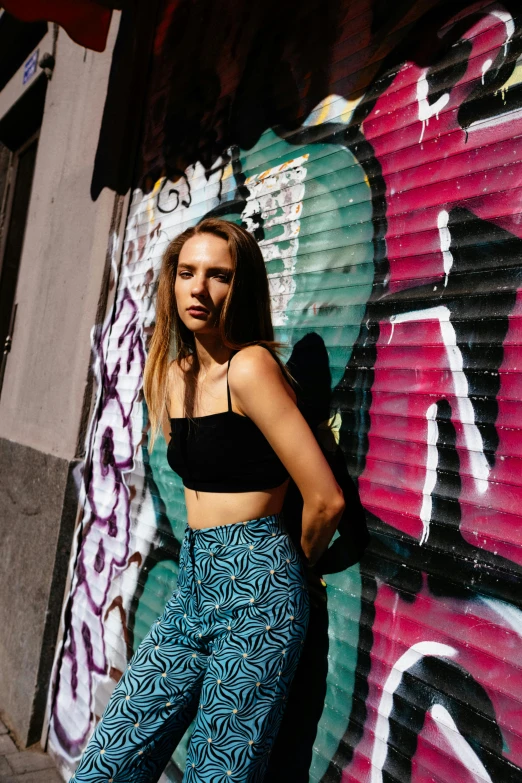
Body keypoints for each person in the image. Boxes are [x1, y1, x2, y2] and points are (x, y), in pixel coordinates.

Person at [69, 217, 345, 783]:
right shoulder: (172, 376)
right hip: (192, 583)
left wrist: (287, 567)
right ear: (171, 282)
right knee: (109, 761)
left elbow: (325, 499)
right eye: (187, 273)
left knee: (217, 775)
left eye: (218, 276)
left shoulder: (251, 368)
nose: (199, 289)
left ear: (240, 287)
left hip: (259, 587)